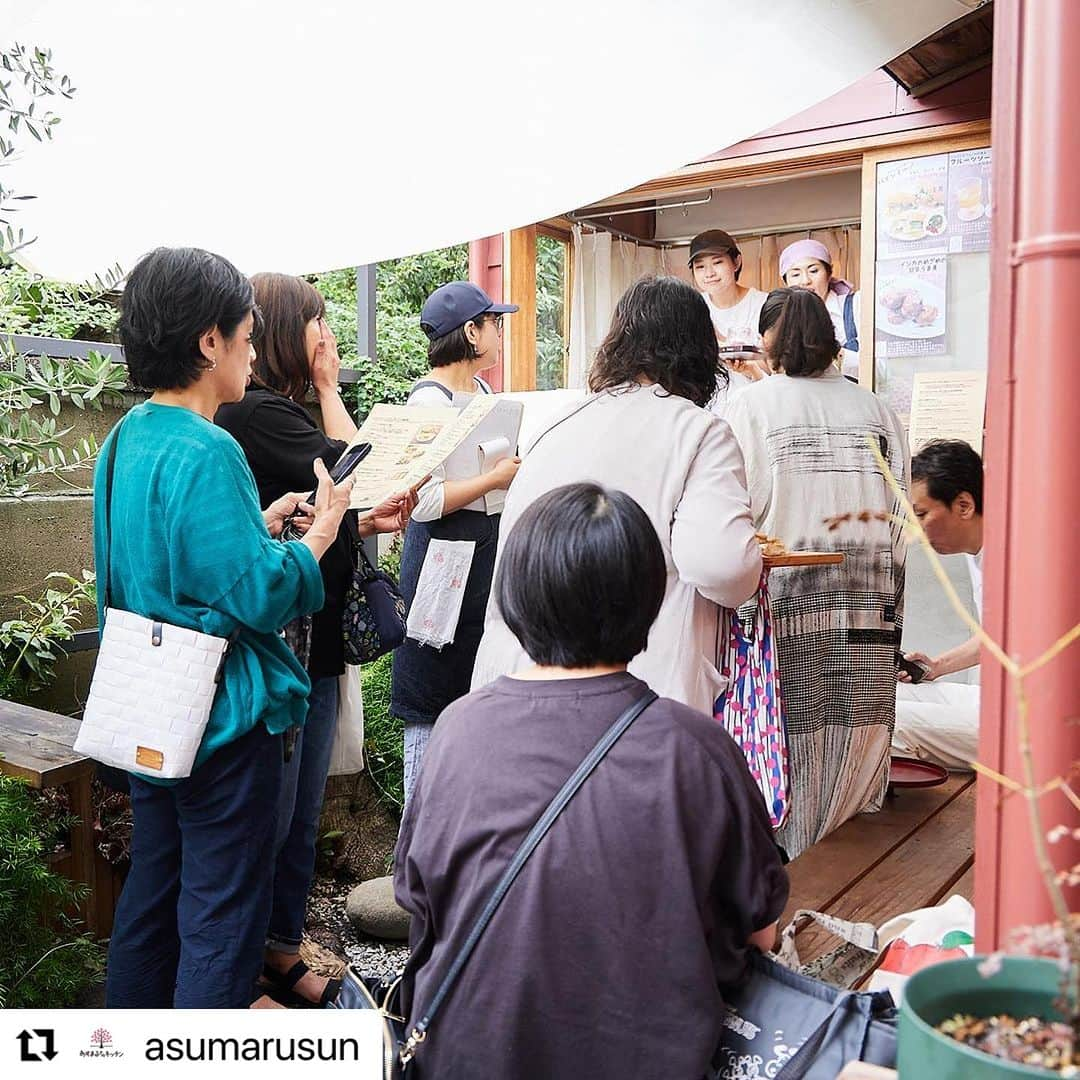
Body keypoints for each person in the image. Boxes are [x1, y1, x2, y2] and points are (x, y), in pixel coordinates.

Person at [395, 483, 789, 1080]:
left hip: (467, 1056)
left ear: (516, 595)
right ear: (647, 601)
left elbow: (421, 907)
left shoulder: (457, 730)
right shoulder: (699, 751)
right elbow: (760, 936)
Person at [99, 247, 353, 1008]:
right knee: (220, 920)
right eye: (244, 332)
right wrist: (316, 538)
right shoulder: (209, 447)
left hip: (153, 704)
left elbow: (151, 572)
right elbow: (257, 598)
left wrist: (263, 527)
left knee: (151, 902)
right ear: (208, 342)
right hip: (222, 720)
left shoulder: (127, 437)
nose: (251, 345)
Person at [215, 272, 415, 1007]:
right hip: (287, 647)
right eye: (318, 322)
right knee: (276, 817)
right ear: (284, 329)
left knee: (300, 815)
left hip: (316, 641)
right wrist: (332, 384)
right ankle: (246, 971)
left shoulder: (277, 411)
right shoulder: (262, 414)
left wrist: (363, 523)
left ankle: (278, 948)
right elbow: (357, 469)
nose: (326, 336)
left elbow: (330, 504)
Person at [471, 275, 762, 715]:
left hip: (515, 685)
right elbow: (724, 567)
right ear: (701, 352)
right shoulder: (699, 431)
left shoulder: (558, 424)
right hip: (633, 697)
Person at [724, 287, 909, 858]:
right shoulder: (875, 408)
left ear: (767, 340)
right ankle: (857, 859)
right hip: (868, 597)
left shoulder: (751, 406)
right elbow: (900, 516)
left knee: (789, 738)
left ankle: (789, 858)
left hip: (787, 602)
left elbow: (735, 511)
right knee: (859, 730)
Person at [391, 281, 521, 801]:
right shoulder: (428, 400)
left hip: (485, 554)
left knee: (479, 685)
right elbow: (419, 500)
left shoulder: (488, 395)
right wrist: (493, 480)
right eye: (494, 323)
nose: (500, 332)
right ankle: (419, 848)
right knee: (432, 691)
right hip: (441, 563)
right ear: (470, 332)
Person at [892, 440, 984, 770]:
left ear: (963, 505)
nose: (915, 528)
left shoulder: (1017, 557)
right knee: (876, 699)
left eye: (921, 514)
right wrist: (937, 666)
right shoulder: (980, 555)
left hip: (1024, 725)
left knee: (878, 722)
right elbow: (1001, 637)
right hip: (990, 702)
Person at [688, 228, 770, 410]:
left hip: (757, 407)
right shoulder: (691, 307)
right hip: (708, 412)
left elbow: (778, 367)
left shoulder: (764, 304)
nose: (709, 273)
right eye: (700, 266)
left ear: (736, 262)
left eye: (717, 262)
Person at [779, 238, 861, 380]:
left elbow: (879, 367)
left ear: (829, 272)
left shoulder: (855, 305)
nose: (805, 281)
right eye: (796, 274)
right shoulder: (782, 319)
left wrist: (835, 353)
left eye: (813, 270)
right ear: (786, 282)